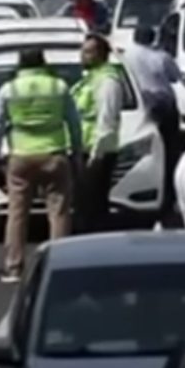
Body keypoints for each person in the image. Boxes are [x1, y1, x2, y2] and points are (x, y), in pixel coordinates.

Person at [0, 49, 84, 283]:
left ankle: (14, 267)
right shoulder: (58, 87)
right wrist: (77, 152)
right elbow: (74, 123)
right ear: (44, 63)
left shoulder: (9, 89)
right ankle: (59, 266)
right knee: (59, 212)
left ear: (20, 64)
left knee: (17, 213)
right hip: (54, 153)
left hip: (20, 155)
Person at [123, 26, 182, 227]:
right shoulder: (160, 57)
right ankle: (168, 193)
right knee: (169, 150)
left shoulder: (126, 55)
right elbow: (175, 76)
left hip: (141, 103)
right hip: (163, 103)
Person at [71, 35, 123, 233]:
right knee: (83, 206)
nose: (82, 56)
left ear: (100, 55)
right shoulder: (90, 79)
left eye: (88, 51)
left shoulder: (108, 81)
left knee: (92, 209)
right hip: (85, 148)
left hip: (97, 152)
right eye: (82, 51)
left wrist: (97, 155)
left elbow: (106, 119)